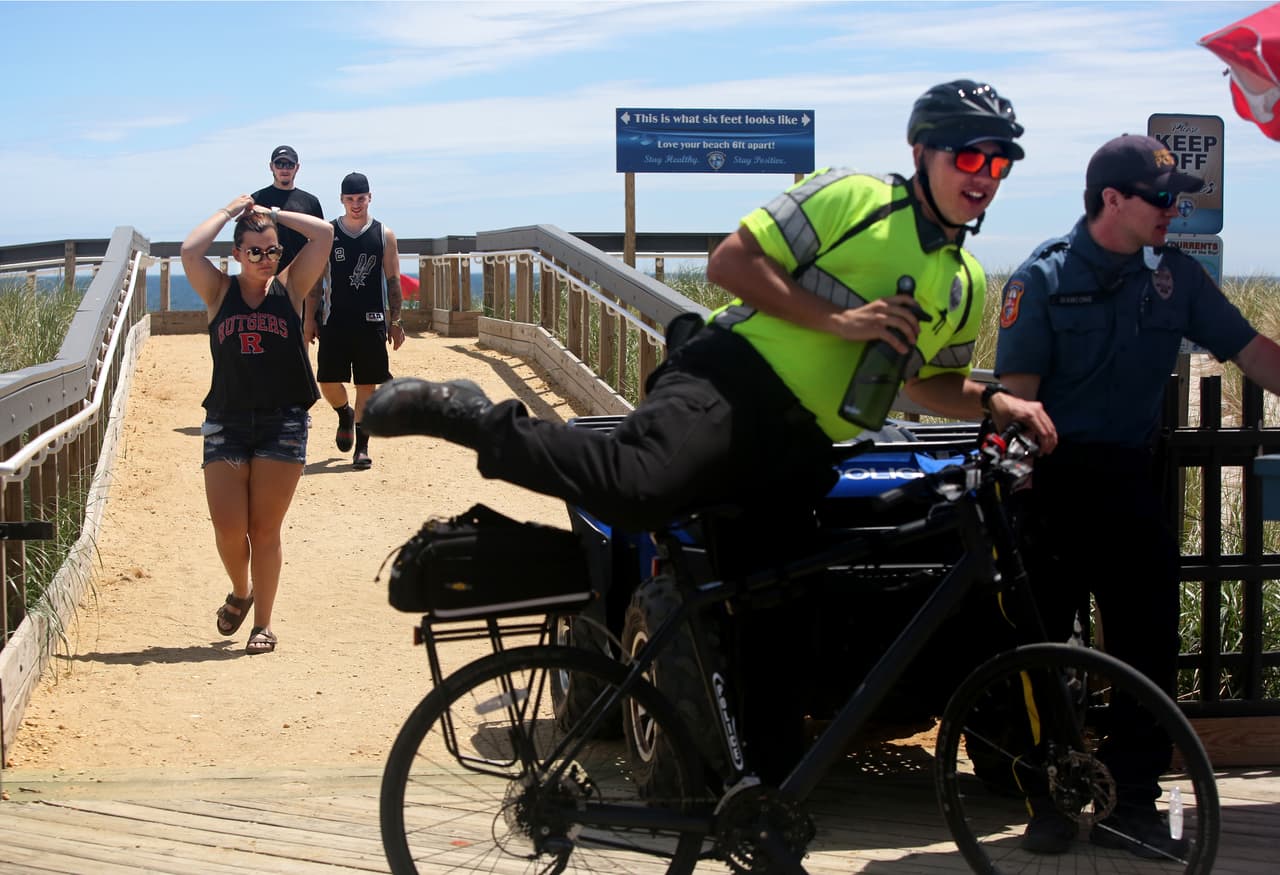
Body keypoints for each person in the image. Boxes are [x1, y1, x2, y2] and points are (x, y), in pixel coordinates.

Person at [359, 80, 1056, 777]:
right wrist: (839, 321)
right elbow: (730, 263)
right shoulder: (855, 198)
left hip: (800, 447)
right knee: (638, 486)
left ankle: (762, 816)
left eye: (999, 165)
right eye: (970, 158)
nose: (984, 178)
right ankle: (470, 415)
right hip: (729, 381)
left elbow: (920, 382)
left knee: (781, 639)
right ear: (923, 150)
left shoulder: (962, 281)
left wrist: (996, 402)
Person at [994, 133, 1280, 857]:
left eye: (1178, 196)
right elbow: (1016, 401)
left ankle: (1134, 806)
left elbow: (1251, 351)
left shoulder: (1174, 280)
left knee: (1145, 649)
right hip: (1051, 485)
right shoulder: (1043, 280)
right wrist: (1019, 500)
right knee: (1043, 652)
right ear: (1110, 201)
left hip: (1129, 480)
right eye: (1160, 197)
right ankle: (1050, 801)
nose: (1173, 208)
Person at [180, 194, 333, 654]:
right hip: (226, 419)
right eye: (255, 251)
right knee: (229, 528)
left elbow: (323, 235)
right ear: (236, 254)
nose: (266, 259)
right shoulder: (219, 292)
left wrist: (272, 215)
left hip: (282, 420)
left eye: (272, 251)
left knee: (264, 530)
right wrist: (232, 212)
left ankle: (262, 624)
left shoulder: (290, 288)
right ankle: (241, 591)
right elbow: (190, 251)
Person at [304, 172, 404, 469]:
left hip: (371, 322)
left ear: (370, 197)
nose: (356, 204)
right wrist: (309, 318)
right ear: (342, 200)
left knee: (366, 384)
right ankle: (344, 413)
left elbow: (394, 280)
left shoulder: (384, 234)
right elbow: (314, 283)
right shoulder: (328, 233)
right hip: (334, 320)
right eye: (350, 199)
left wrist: (396, 320)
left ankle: (362, 447)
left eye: (361, 198)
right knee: (327, 381)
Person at [251, 146, 325, 272]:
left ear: (297, 167)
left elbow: (321, 239)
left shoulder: (311, 202)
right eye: (279, 164)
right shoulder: (257, 199)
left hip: (301, 276)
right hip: (266, 275)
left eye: (289, 164)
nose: (284, 169)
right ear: (271, 166)